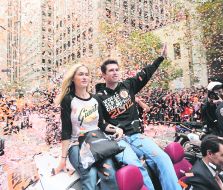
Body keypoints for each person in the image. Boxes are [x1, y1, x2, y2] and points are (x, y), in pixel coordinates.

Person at [95, 44, 182, 190]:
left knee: (163, 158)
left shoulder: (129, 85)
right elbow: (100, 123)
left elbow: (146, 72)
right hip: (118, 141)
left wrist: (160, 58)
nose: (115, 72)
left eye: (117, 69)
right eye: (111, 70)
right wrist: (113, 130)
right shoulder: (98, 97)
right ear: (103, 75)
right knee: (135, 166)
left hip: (136, 136)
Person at [54, 63, 118, 190]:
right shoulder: (68, 100)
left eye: (86, 74)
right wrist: (63, 159)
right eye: (80, 74)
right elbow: (66, 131)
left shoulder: (96, 99)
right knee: (90, 174)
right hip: (76, 145)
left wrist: (116, 129)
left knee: (109, 173)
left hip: (96, 143)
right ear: (73, 78)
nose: (84, 77)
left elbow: (101, 124)